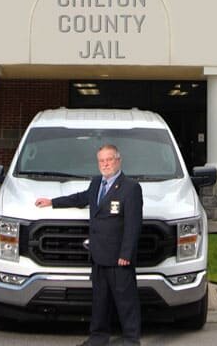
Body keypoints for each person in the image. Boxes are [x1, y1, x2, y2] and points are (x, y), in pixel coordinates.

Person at [36, 143, 144, 346]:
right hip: (98, 255)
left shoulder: (131, 188)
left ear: (118, 160)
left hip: (118, 258)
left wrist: (126, 254)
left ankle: (131, 340)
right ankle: (98, 337)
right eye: (102, 161)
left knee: (126, 302)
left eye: (109, 159)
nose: (105, 164)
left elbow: (133, 225)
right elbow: (80, 198)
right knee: (100, 301)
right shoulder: (96, 183)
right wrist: (52, 202)